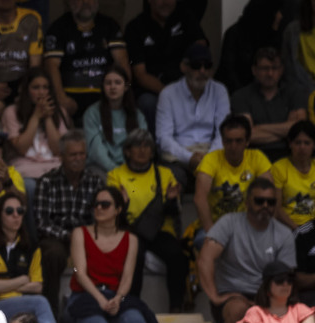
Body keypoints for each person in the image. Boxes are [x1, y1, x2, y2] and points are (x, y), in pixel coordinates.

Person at [65, 186, 149, 323]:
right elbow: (79, 272)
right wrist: (101, 300)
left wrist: (117, 299)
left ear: (118, 209)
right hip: (84, 296)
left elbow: (128, 278)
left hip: (115, 295)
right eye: (95, 205)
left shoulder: (131, 239)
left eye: (105, 204)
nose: (99, 208)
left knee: (137, 321)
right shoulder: (79, 233)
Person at [198, 177, 296, 323]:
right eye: (259, 201)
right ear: (247, 202)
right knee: (240, 312)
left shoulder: (284, 234)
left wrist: (266, 302)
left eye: (270, 202)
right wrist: (215, 297)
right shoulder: (228, 223)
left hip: (268, 295)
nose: (265, 206)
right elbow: (205, 259)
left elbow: (286, 278)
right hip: (232, 294)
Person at [106, 128, 186, 309]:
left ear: (152, 151)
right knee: (135, 256)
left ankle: (177, 307)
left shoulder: (165, 174)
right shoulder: (115, 175)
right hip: (130, 230)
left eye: (147, 146)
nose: (142, 150)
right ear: (127, 151)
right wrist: (122, 204)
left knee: (177, 257)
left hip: (159, 230)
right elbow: (112, 215)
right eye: (137, 146)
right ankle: (132, 307)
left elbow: (174, 212)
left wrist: (172, 201)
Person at [35, 130, 105, 312]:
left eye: (82, 154)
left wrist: (83, 237)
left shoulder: (95, 182)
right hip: (57, 237)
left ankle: (97, 306)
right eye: (73, 154)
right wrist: (70, 236)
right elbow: (42, 222)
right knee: (53, 254)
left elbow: (101, 217)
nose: (78, 158)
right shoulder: (47, 182)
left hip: (87, 237)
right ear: (62, 156)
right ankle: (51, 309)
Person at [0, 191, 57, 323]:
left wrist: (0, 283)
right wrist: (23, 280)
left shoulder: (31, 247)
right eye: (9, 211)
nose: (16, 215)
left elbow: (37, 286)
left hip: (23, 303)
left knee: (39, 301)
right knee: (41, 303)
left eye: (20, 211)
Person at [156, 42, 230, 188]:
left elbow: (224, 132)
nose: (202, 71)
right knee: (171, 180)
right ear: (184, 67)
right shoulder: (168, 93)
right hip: (178, 155)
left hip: (211, 152)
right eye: (196, 66)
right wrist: (189, 158)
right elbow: (163, 138)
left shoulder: (219, 90)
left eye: (207, 66)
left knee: (227, 181)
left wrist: (208, 159)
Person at [194, 115, 274, 250]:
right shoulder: (210, 160)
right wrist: (213, 233)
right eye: (228, 141)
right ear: (223, 141)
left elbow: (269, 195)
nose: (233, 146)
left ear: (247, 141)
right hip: (215, 225)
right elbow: (199, 198)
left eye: (238, 141)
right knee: (204, 242)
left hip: (250, 224)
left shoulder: (257, 158)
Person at [44, 0, 130, 123]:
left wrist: (125, 94)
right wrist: (61, 98)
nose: (86, 3)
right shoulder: (57, 28)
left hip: (105, 95)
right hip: (71, 97)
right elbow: (51, 66)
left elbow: (122, 62)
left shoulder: (110, 25)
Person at [124, 0, 205, 127]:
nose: (166, 2)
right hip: (152, 90)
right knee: (148, 103)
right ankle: (154, 146)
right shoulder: (135, 27)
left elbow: (201, 49)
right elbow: (140, 74)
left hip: (185, 84)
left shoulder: (186, 19)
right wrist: (169, 93)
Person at [2, 67, 67, 204]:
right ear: (26, 90)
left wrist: (48, 117)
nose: (41, 92)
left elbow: (58, 150)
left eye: (45, 87)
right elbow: (22, 148)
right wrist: (36, 116)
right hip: (25, 169)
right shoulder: (12, 112)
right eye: (36, 88)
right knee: (30, 188)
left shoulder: (60, 112)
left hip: (54, 168)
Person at [231, 47, 307, 162]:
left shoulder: (295, 93)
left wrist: (258, 128)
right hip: (253, 156)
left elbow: (300, 130)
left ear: (281, 70)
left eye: (274, 68)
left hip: (289, 156)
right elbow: (246, 135)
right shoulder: (241, 96)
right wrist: (286, 132)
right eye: (265, 68)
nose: (270, 73)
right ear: (254, 70)